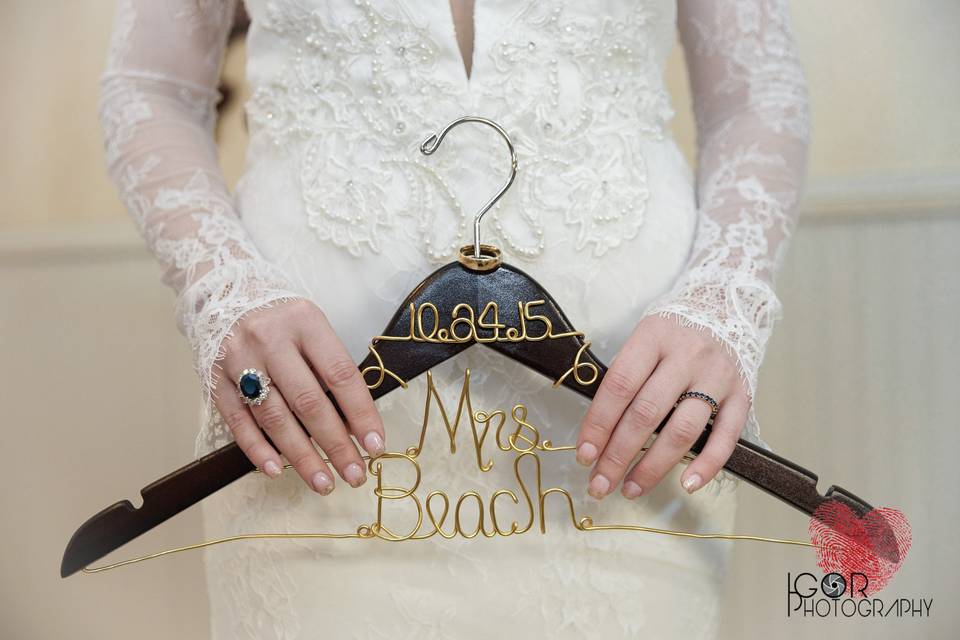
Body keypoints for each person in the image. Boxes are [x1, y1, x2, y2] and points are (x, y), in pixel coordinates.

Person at [99, 0, 809, 637]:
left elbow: (758, 90)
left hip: (632, 433)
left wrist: (725, 296)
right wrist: (221, 284)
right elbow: (150, 86)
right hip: (303, 435)